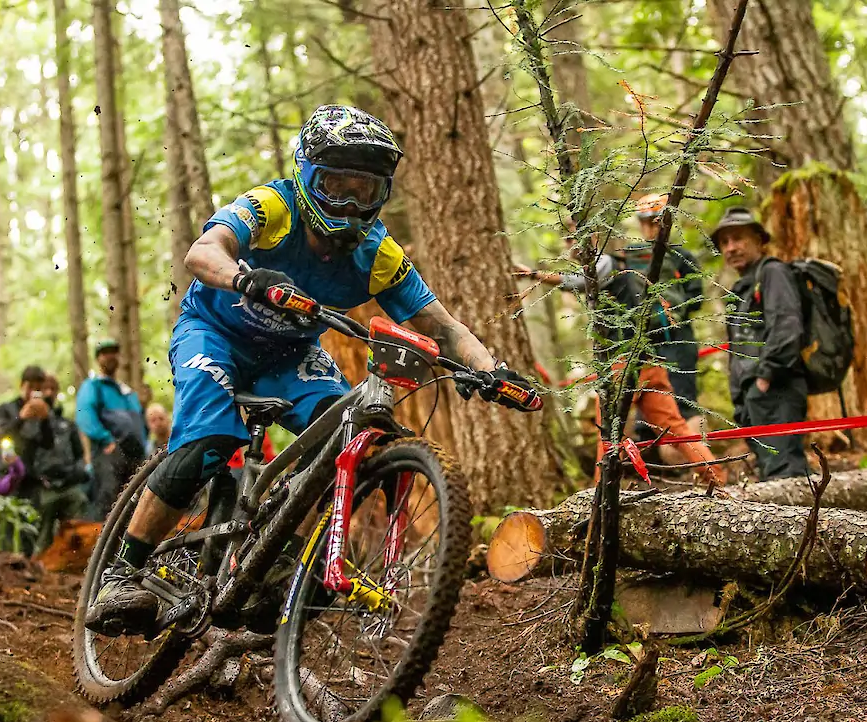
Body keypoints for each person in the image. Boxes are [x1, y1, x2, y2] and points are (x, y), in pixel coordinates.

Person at [86, 104, 539, 636]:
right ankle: (124, 570)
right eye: (335, 185)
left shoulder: (379, 254)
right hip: (215, 335)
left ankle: (280, 563)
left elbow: (445, 328)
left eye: (364, 191)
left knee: (354, 436)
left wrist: (494, 372)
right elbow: (202, 251)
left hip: (291, 354)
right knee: (211, 439)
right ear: (306, 173)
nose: (349, 204)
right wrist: (242, 279)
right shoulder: (274, 206)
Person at [514, 220, 722, 484]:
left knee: (609, 433)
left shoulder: (607, 264)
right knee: (674, 428)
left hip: (624, 365)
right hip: (647, 360)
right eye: (567, 240)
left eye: (575, 239)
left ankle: (600, 496)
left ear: (595, 238)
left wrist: (535, 275)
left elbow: (579, 281)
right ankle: (717, 480)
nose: (571, 246)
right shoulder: (618, 264)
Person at [715, 207, 808, 480]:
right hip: (753, 396)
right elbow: (737, 348)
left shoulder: (773, 273)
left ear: (759, 240)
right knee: (771, 472)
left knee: (785, 472)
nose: (731, 248)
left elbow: (787, 327)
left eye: (738, 238)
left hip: (777, 388)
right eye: (724, 242)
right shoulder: (741, 289)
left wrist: (764, 379)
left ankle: (809, 521)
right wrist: (742, 397)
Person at [628, 193, 706, 433]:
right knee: (647, 405)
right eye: (646, 222)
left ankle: (694, 459)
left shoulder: (680, 256)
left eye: (655, 222)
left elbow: (696, 294)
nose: (650, 228)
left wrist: (675, 310)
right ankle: (654, 461)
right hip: (644, 343)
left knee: (682, 400)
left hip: (678, 339)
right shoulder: (632, 257)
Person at [76, 340, 146, 522]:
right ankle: (96, 545)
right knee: (107, 500)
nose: (110, 356)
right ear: (98, 358)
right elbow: (84, 416)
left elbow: (138, 422)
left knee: (135, 503)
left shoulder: (127, 392)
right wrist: (106, 439)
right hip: (110, 453)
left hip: (136, 456)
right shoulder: (93, 386)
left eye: (114, 352)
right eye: (105, 352)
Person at [31, 373, 92, 555]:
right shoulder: (31, 421)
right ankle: (39, 566)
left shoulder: (67, 424)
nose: (49, 393)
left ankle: (76, 560)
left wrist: (75, 472)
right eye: (45, 389)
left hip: (68, 485)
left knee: (78, 509)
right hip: (44, 487)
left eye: (52, 389)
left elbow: (80, 455)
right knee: (42, 534)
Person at [0, 365, 54, 502]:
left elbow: (48, 444)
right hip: (6, 475)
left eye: (38, 389)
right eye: (30, 387)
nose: (33, 392)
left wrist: (45, 420)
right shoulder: (6, 409)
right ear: (22, 385)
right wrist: (21, 418)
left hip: (31, 481)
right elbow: (2, 435)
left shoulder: (43, 413)